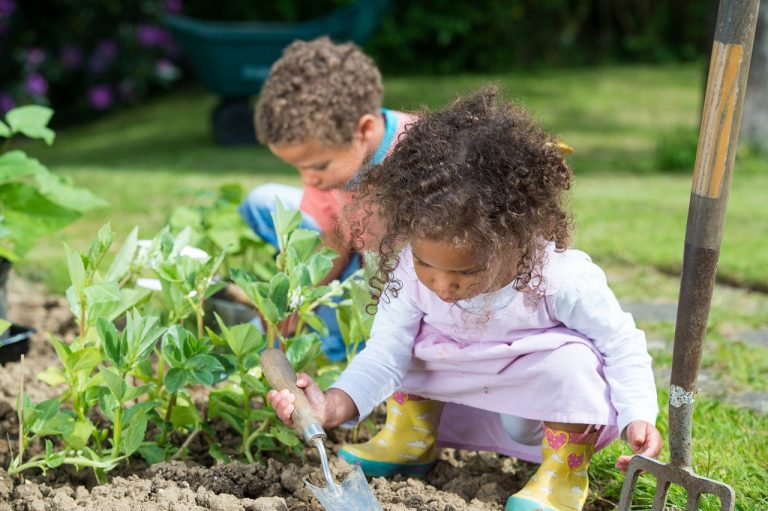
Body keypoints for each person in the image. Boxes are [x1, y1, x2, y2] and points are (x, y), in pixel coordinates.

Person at [267, 87, 662, 511]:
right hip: (461, 379)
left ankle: (562, 474)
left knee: (575, 362)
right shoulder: (408, 268)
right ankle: (411, 438)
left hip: (536, 398)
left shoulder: (560, 277)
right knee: (410, 343)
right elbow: (383, 356)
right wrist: (332, 405)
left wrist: (638, 415)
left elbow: (620, 343)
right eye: (425, 263)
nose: (441, 285)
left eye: (466, 272)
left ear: (518, 239)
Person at [238, 37, 416, 362]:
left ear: (362, 129)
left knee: (355, 320)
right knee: (265, 203)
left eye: (317, 166)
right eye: (299, 168)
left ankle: (345, 362)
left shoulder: (420, 155)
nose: (309, 180)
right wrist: (298, 299)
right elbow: (334, 241)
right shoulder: (336, 165)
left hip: (415, 282)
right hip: (365, 258)